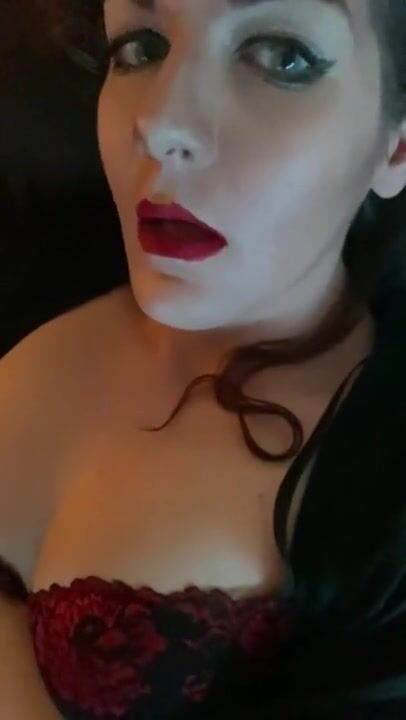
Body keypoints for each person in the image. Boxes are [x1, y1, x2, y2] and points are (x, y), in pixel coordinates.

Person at [1, 0, 406, 718]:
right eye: (141, 46)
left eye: (282, 56)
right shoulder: (37, 254)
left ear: (396, 145)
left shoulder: (381, 500)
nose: (160, 124)